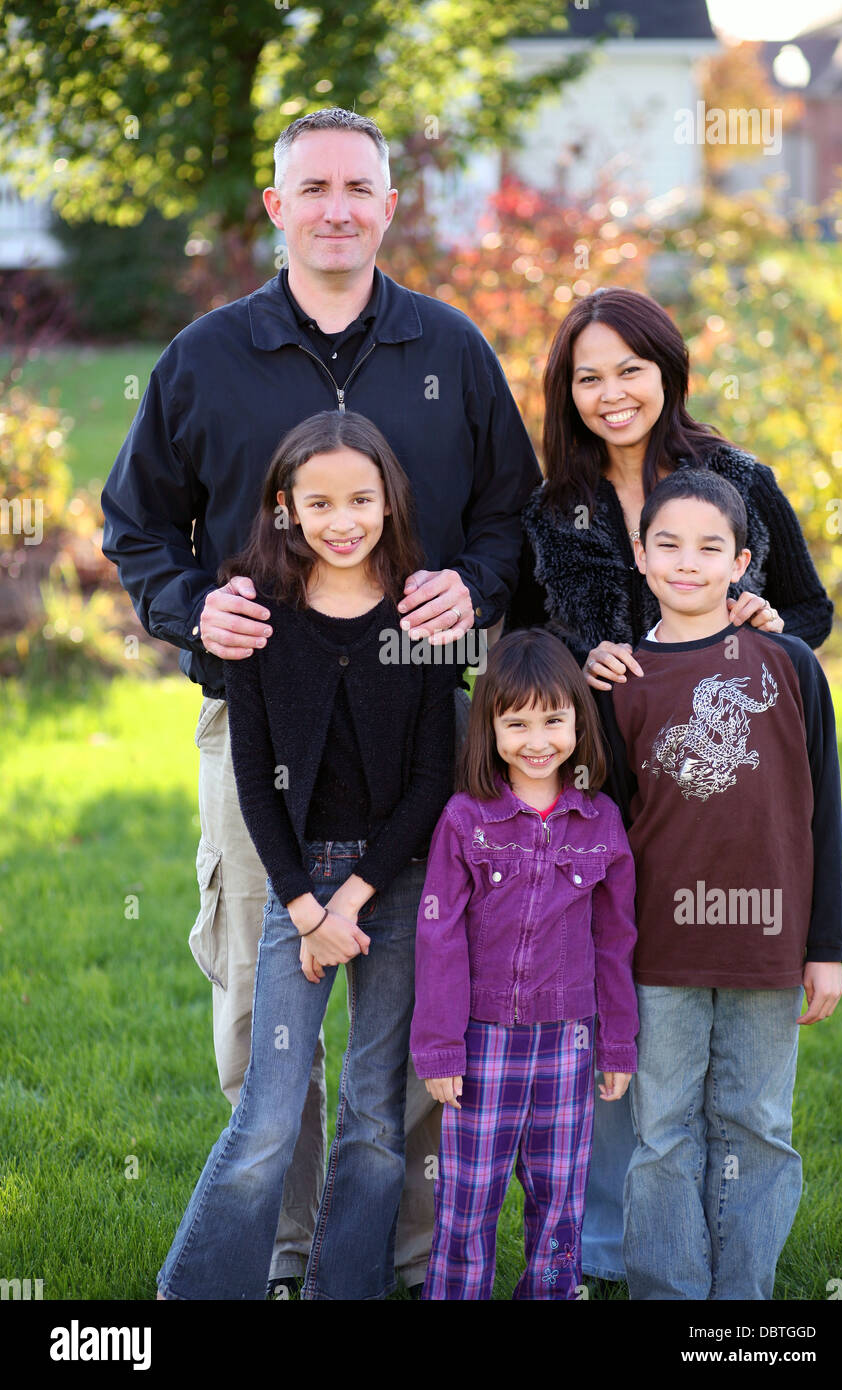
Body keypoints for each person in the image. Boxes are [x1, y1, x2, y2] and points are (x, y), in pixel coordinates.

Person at [101, 107, 540, 1292]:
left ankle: (391, 1260)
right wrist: (189, 605)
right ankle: (285, 1255)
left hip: (417, 724)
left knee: (410, 1006)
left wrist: (476, 582)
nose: (338, 205)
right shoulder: (204, 357)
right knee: (265, 1005)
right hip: (261, 720)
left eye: (361, 185)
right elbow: (136, 526)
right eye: (315, 186)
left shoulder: (451, 351)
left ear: (390, 205)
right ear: (277, 207)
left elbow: (513, 516)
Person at [506, 284, 834, 1282]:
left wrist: (770, 640)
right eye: (587, 375)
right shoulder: (552, 508)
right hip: (607, 796)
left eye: (629, 369)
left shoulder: (734, 475)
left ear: (665, 371)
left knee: (740, 1101)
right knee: (632, 1068)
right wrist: (576, 664)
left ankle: (730, 1284)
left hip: (734, 792)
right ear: (565, 389)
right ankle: (623, 1258)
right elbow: (522, 638)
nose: (611, 393)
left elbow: (807, 612)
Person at [157, 409, 457, 1300]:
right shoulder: (257, 610)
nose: (341, 519)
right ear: (284, 507)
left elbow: (433, 777)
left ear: (390, 501)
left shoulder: (418, 615)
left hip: (396, 884)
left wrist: (354, 899)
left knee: (373, 1113)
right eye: (317, 502)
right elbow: (254, 774)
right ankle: (200, 1289)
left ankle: (346, 1286)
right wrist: (302, 905)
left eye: (360, 498)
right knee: (269, 1110)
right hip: (298, 887)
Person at [594, 467, 842, 1300]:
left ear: (742, 560)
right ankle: (671, 1294)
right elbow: (611, 833)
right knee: (663, 1129)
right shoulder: (620, 681)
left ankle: (741, 1305)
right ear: (639, 555)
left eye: (711, 548)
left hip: (769, 944)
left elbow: (823, 816)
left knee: (757, 1125)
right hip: (659, 946)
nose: (688, 562)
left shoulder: (788, 666)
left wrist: (826, 948)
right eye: (667, 544)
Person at [410, 629, 639, 1300]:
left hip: (568, 1044)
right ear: (490, 728)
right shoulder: (464, 822)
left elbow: (614, 938)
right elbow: (439, 937)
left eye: (553, 719)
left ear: (577, 719)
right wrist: (442, 1047)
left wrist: (616, 1044)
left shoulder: (601, 822)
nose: (537, 740)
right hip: (482, 1044)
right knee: (468, 1199)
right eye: (516, 723)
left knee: (559, 1200)